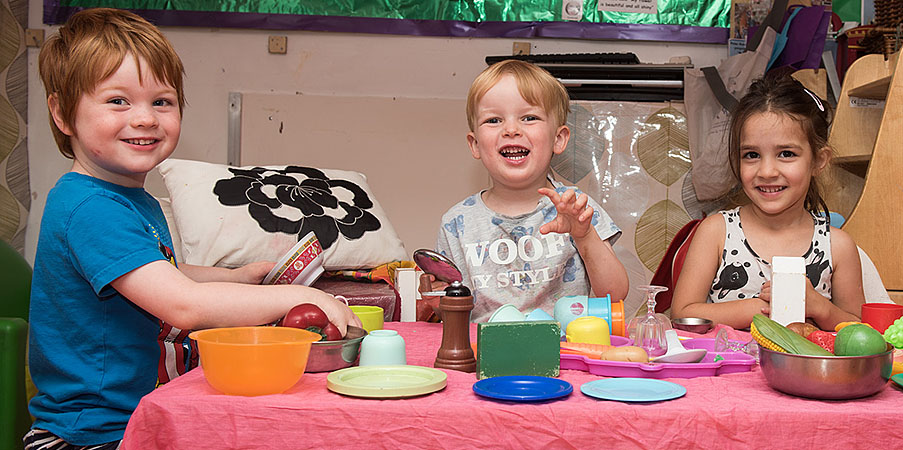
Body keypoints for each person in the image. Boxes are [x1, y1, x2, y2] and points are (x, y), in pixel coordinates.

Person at [26, 8, 358, 449]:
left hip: (131, 418)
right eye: (118, 101)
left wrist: (237, 277)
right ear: (62, 114)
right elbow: (182, 306)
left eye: (161, 101)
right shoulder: (90, 208)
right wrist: (303, 294)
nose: (145, 118)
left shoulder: (127, 199)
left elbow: (162, 272)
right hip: (90, 435)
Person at [436, 60, 628, 322]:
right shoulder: (456, 224)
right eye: (494, 120)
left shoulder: (577, 208)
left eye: (529, 118)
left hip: (563, 352)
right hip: (487, 353)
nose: (511, 130)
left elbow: (614, 295)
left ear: (558, 139)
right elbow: (447, 309)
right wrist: (435, 299)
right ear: (475, 144)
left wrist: (585, 237)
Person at [672, 75, 865, 330]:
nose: (767, 171)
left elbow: (859, 329)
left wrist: (820, 307)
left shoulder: (837, 246)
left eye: (786, 154)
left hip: (805, 370)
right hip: (730, 369)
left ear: (819, 160)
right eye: (752, 155)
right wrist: (757, 310)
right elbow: (682, 314)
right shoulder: (717, 231)